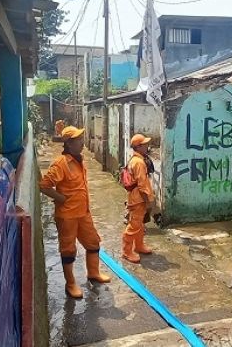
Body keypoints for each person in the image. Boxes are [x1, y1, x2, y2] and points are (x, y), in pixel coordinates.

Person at [40, 126, 111, 298]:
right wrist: (61, 198)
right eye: (78, 140)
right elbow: (44, 185)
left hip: (83, 213)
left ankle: (93, 273)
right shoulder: (61, 163)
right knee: (68, 250)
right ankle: (71, 283)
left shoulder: (80, 160)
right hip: (67, 216)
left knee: (93, 243)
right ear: (69, 143)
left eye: (81, 139)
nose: (81, 142)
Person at [122, 134, 155, 263]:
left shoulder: (137, 160)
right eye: (145, 144)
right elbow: (142, 184)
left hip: (137, 197)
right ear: (138, 147)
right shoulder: (139, 162)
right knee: (134, 226)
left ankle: (139, 246)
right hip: (138, 199)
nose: (147, 146)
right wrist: (148, 200)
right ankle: (126, 251)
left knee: (140, 224)